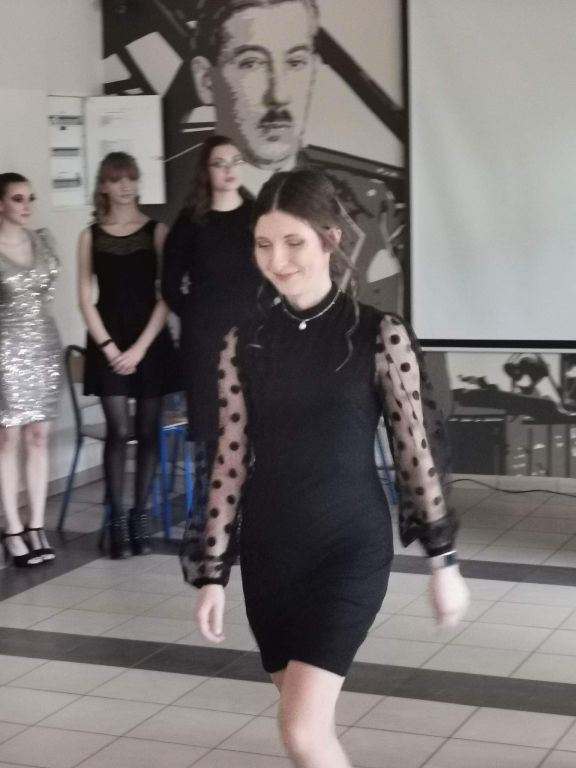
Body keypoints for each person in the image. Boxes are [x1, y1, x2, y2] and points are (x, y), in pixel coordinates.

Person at [182, 169, 469, 768]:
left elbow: (414, 449)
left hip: (348, 548)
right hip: (270, 554)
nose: (277, 260)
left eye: (294, 243)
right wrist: (212, 572)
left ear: (331, 239)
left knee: (301, 732)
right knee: (307, 729)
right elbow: (229, 459)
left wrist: (442, 559)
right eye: (264, 244)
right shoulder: (244, 341)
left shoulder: (378, 334)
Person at [78, 152, 180, 559]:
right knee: (119, 432)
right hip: (107, 339)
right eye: (116, 179)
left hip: (149, 340)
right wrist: (109, 347)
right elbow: (85, 299)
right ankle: (117, 521)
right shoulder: (90, 235)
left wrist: (138, 348)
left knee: (149, 431)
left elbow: (166, 295)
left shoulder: (157, 231)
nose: (125, 186)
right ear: (104, 185)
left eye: (131, 178)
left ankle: (141, 518)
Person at [162, 135, 259, 527]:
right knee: (210, 434)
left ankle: (251, 520)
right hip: (203, 343)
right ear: (206, 170)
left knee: (254, 429)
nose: (229, 169)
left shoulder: (257, 215)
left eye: (235, 161)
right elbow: (170, 286)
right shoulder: (190, 221)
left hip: (253, 340)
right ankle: (211, 522)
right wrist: (198, 315)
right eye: (220, 162)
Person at [0, 173, 62, 567]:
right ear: (1, 204)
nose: (26, 206)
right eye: (18, 198)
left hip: (44, 347)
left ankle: (36, 524)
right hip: (5, 350)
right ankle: (11, 528)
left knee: (39, 436)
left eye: (30, 198)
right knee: (8, 439)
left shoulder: (43, 240)